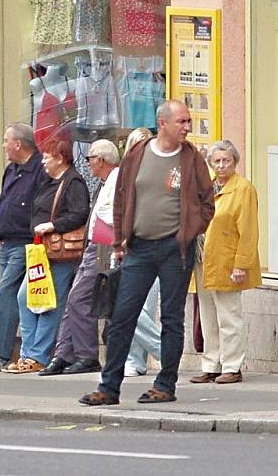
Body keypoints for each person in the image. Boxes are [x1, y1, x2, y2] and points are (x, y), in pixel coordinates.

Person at [78, 100, 214, 405]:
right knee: (122, 316)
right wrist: (119, 241)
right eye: (182, 121)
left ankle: (165, 384)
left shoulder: (191, 158)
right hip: (138, 247)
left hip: (174, 249)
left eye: (189, 121)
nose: (187, 127)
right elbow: (122, 196)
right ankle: (108, 387)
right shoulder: (138, 153)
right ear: (162, 123)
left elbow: (208, 202)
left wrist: (190, 231)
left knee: (171, 319)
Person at [4, 139, 90, 374]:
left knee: (50, 302)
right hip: (42, 250)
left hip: (59, 253)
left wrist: (53, 225)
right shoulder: (49, 181)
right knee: (26, 297)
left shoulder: (73, 182)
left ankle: (38, 355)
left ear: (60, 159)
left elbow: (80, 214)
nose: (42, 161)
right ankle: (28, 353)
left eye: (47, 157)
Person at [39, 139, 120, 376]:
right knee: (74, 300)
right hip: (96, 245)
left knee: (79, 298)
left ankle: (86, 355)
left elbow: (111, 216)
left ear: (101, 160)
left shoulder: (115, 180)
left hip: (104, 245)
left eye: (91, 158)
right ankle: (64, 353)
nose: (89, 164)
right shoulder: (104, 182)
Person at [0, 123, 47, 374]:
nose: (3, 145)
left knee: (7, 294)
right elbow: (4, 203)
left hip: (25, 242)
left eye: (6, 140)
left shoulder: (39, 170)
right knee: (15, 297)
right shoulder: (11, 169)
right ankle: (17, 352)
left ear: (18, 144)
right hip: (7, 241)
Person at [190, 140, 261, 385]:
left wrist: (242, 263)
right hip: (204, 258)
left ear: (235, 162)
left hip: (228, 260)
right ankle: (211, 364)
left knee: (229, 315)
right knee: (208, 315)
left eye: (226, 161)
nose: (221, 166)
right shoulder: (208, 187)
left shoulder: (243, 189)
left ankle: (232, 365)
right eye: (217, 161)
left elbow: (249, 230)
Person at [122, 127, 162, 378]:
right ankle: (138, 358)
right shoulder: (124, 176)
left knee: (144, 307)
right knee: (128, 306)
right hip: (131, 246)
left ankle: (145, 356)